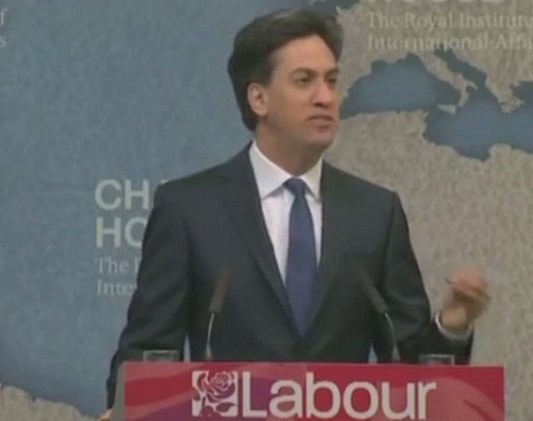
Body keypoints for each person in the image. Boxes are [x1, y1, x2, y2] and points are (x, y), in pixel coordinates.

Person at [99, 8, 489, 420]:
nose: (326, 97)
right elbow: (147, 354)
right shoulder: (189, 209)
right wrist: (126, 409)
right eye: (304, 81)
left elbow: (414, 372)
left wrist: (451, 324)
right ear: (259, 98)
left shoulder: (375, 212)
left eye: (331, 81)